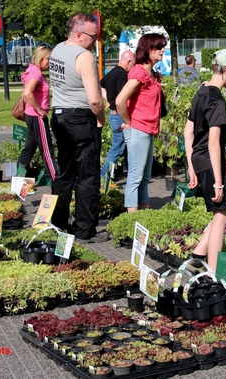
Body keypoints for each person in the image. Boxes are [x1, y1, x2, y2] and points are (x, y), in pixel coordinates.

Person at [183, 49, 226, 273]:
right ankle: (212, 273)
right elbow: (213, 144)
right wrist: (219, 182)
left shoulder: (201, 92)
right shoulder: (218, 102)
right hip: (211, 162)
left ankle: (198, 255)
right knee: (220, 215)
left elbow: (187, 132)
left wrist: (192, 166)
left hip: (200, 161)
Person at [49, 12, 107, 243]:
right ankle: (85, 230)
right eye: (94, 37)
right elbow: (94, 100)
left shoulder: (57, 50)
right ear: (80, 35)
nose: (95, 41)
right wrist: (100, 118)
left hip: (60, 115)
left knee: (64, 174)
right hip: (80, 119)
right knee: (87, 176)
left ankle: (58, 224)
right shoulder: (84, 56)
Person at [116, 33, 166, 213]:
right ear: (148, 49)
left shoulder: (151, 73)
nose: (162, 50)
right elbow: (120, 100)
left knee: (145, 178)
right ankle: (131, 220)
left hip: (149, 129)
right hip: (138, 129)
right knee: (135, 177)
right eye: (158, 47)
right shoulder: (139, 72)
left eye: (163, 46)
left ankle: (144, 216)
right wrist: (128, 122)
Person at [16, 46, 57, 182]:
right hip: (37, 116)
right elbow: (27, 93)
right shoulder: (36, 74)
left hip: (31, 115)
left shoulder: (33, 70)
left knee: (29, 148)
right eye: (48, 59)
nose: (49, 63)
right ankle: (57, 181)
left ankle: (18, 179)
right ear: (41, 58)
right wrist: (40, 110)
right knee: (47, 149)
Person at [100, 50, 135, 180]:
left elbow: (100, 86)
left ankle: (132, 172)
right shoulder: (121, 74)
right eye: (133, 63)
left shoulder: (112, 72)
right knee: (118, 148)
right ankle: (103, 177)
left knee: (125, 146)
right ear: (129, 61)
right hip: (119, 114)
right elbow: (122, 98)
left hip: (112, 113)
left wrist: (108, 99)